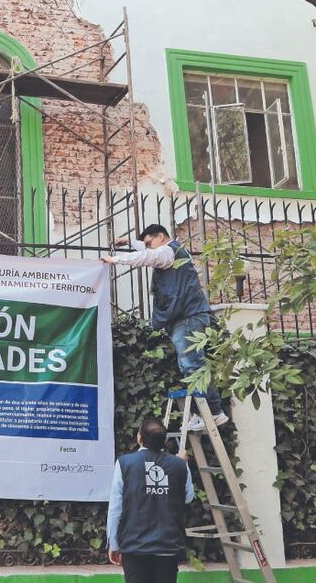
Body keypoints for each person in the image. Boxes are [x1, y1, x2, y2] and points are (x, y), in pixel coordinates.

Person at [102, 224, 227, 431]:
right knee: (189, 365)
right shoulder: (172, 252)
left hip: (188, 317)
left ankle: (213, 412)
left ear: (161, 237)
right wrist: (128, 242)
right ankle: (202, 413)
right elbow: (146, 251)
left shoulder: (169, 251)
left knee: (193, 365)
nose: (149, 248)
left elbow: (148, 257)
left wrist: (115, 260)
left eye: (150, 243)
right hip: (186, 317)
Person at [106, 417, 193, 583]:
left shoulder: (124, 463)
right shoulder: (179, 465)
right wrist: (184, 465)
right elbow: (188, 498)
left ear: (139, 438)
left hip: (135, 547)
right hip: (168, 546)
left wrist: (114, 544)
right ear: (164, 440)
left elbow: (115, 508)